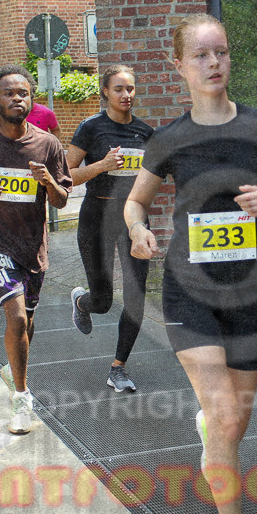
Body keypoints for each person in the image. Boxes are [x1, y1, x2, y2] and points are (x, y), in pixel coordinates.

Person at [124, 14, 257, 514]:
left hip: (250, 294)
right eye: (200, 56)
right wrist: (138, 232)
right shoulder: (170, 138)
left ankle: (212, 430)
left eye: (221, 53)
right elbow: (134, 203)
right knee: (225, 416)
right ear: (180, 67)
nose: (213, 63)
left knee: (231, 424)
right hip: (190, 293)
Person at [0, 65, 72, 434]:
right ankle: (22, 399)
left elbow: (62, 200)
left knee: (28, 321)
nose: (17, 99)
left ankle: (12, 368)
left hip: (31, 245)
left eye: (23, 93)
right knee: (17, 317)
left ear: (31, 99)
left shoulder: (47, 145)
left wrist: (49, 180)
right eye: (9, 93)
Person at [67, 65, 154, 393]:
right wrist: (102, 165)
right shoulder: (90, 128)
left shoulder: (146, 133)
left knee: (136, 296)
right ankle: (82, 302)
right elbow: (65, 175)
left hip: (134, 222)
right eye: (119, 89)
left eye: (130, 89)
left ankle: (118, 367)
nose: (126, 95)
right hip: (96, 218)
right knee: (103, 300)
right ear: (105, 91)